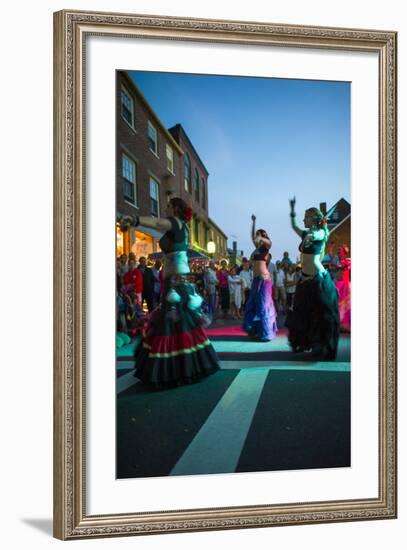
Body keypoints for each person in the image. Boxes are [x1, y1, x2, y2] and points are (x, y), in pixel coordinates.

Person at [122, 197, 219, 388]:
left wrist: (135, 219)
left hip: (176, 280)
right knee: (180, 320)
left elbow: (157, 222)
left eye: (168, 205)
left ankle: (177, 369)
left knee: (172, 319)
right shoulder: (184, 227)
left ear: (175, 208)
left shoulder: (174, 222)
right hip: (181, 278)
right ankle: (189, 364)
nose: (165, 208)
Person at [286, 197, 340, 360]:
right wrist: (293, 209)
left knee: (322, 316)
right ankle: (305, 342)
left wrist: (311, 235)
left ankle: (321, 346)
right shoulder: (306, 233)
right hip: (305, 279)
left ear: (314, 220)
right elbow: (295, 226)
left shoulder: (321, 232)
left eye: (306, 217)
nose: (303, 219)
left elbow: (316, 235)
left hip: (318, 279)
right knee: (302, 314)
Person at [242, 214, 277, 341]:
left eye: (258, 235)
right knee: (253, 305)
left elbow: (269, 241)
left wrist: (262, 237)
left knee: (263, 306)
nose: (255, 238)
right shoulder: (256, 248)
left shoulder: (266, 247)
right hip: (256, 280)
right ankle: (255, 330)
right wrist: (254, 222)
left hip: (263, 278)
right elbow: (252, 236)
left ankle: (266, 332)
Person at [335, 244, 351, 332]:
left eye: (340, 251)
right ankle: (340, 324)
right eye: (338, 252)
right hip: (339, 284)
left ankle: (346, 324)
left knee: (346, 304)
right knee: (339, 303)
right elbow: (337, 271)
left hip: (346, 284)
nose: (339, 253)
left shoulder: (349, 261)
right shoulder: (338, 261)